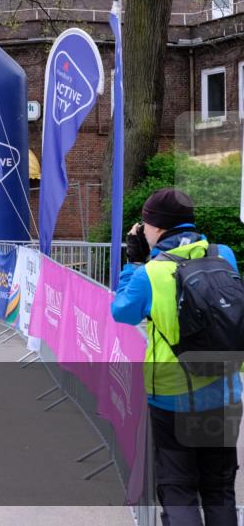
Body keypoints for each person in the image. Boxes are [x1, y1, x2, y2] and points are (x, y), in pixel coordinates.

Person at [111, 188, 241, 524]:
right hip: (225, 390)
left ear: (156, 227)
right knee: (219, 487)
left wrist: (134, 261)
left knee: (178, 487)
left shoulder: (151, 273)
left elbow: (122, 311)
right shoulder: (223, 253)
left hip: (172, 395)